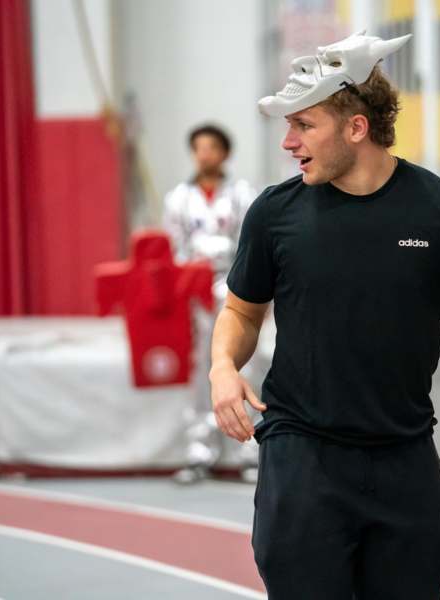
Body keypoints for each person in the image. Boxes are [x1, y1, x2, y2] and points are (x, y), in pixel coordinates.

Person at [209, 31, 440, 598]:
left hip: (405, 454)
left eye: (304, 125)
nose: (289, 143)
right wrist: (222, 365)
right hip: (302, 454)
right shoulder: (274, 213)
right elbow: (241, 313)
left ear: (356, 127)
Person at [162, 123, 258, 484]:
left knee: (245, 365)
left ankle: (250, 452)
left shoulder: (243, 194)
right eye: (199, 148)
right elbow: (175, 248)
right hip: (195, 293)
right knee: (202, 369)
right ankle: (200, 452)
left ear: (225, 153)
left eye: (212, 147)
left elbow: (251, 244)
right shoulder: (177, 199)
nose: (205, 154)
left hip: (237, 289)